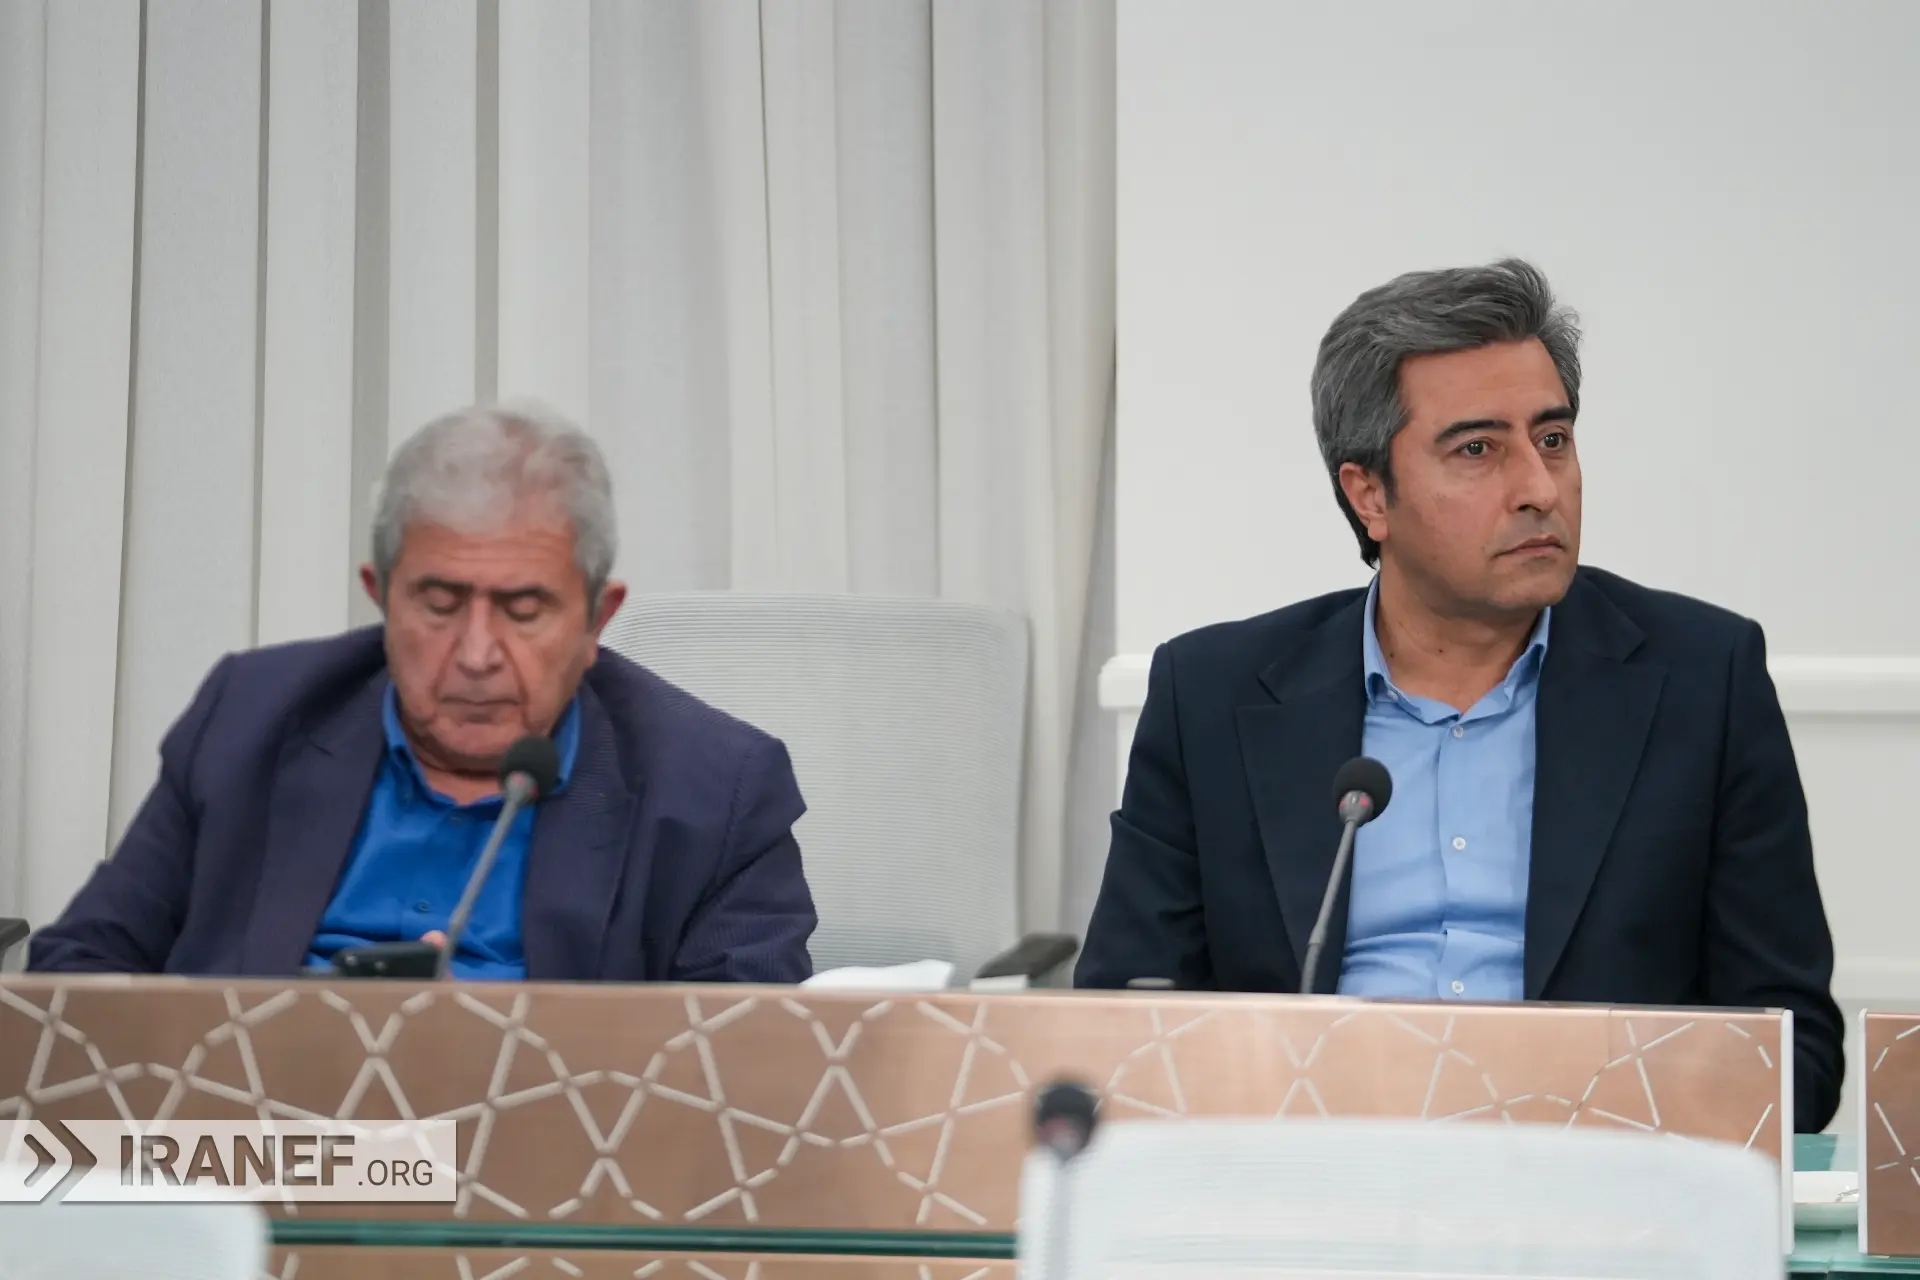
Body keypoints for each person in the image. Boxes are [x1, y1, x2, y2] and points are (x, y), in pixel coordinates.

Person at [1075, 259, 1843, 1130]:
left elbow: (1796, 1054)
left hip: (1594, 1177)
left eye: (1553, 439)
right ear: (1369, 494)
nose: (1539, 490)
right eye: (1478, 450)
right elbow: (1125, 1025)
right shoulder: (1212, 696)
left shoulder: (1704, 680)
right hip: (1312, 1171)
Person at [30, 403, 817, 982]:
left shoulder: (716, 791)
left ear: (594, 620)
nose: (475, 656)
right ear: (381, 596)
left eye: (523, 610)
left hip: (540, 1152)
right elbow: (77, 972)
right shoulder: (248, 718)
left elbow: (749, 1068)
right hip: (254, 1139)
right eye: (439, 605)